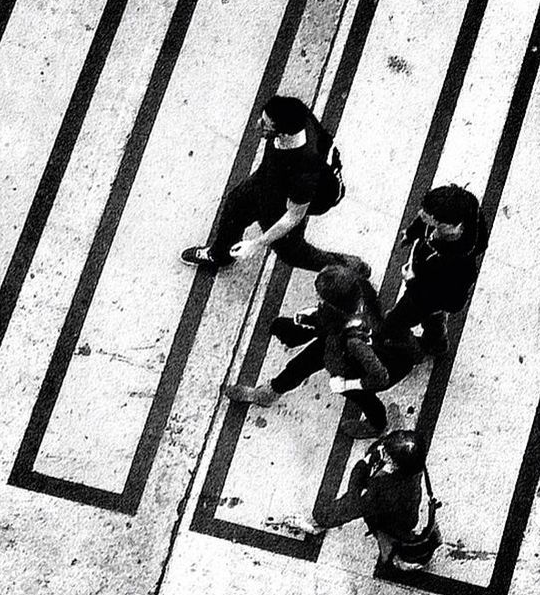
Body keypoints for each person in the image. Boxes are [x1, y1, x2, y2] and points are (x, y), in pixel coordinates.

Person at [180, 94, 368, 275]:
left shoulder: (304, 169)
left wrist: (257, 243)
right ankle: (219, 255)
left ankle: (349, 269)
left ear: (284, 134)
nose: (257, 125)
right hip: (272, 177)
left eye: (265, 125)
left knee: (292, 252)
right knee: (235, 203)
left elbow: (294, 216)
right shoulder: (294, 114)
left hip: (297, 196)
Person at [223, 265, 415, 438]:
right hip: (349, 345)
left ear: (335, 305)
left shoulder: (355, 341)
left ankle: (378, 425)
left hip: (357, 365)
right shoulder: (361, 290)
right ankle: (270, 392)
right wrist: (311, 316)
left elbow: (380, 377)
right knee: (300, 365)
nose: (317, 298)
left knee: (362, 397)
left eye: (321, 297)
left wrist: (347, 384)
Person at [382, 183, 488, 356]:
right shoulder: (465, 212)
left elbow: (453, 303)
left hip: (423, 297)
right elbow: (423, 221)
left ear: (449, 226)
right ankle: (437, 340)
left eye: (428, 216)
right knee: (433, 319)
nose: (420, 215)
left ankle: (415, 354)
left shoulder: (459, 268)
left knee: (393, 324)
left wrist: (412, 280)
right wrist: (411, 232)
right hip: (426, 287)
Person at [310, 429, 432, 565]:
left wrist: (326, 517)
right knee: (397, 531)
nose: (383, 453)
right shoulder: (411, 465)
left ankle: (394, 557)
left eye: (388, 456)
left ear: (396, 466)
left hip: (389, 518)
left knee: (386, 535)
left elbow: (354, 505)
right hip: (404, 515)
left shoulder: (384, 491)